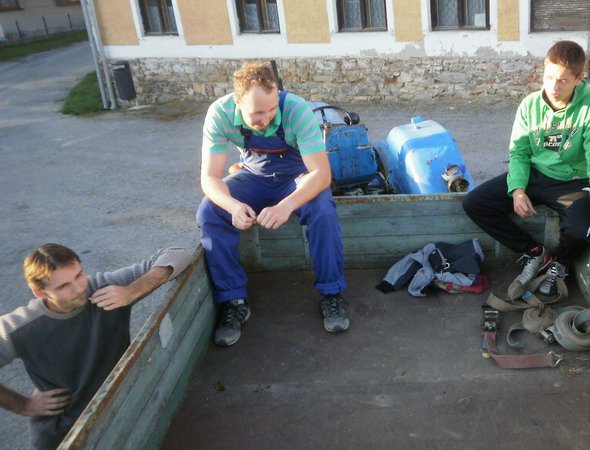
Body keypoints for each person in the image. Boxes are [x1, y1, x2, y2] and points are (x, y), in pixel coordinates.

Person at [196, 60, 349, 346]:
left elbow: (321, 174)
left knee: (322, 208)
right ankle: (234, 301)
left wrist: (286, 206)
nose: (266, 119)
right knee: (209, 211)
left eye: (271, 110)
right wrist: (232, 206)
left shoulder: (297, 110)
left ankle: (332, 294)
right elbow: (210, 178)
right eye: (257, 114)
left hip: (296, 177)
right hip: (254, 175)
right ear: (238, 103)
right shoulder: (219, 114)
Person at [462, 40, 590, 299]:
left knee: (580, 232)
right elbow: (519, 152)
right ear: (543, 70)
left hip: (574, 181)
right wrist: (517, 189)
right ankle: (535, 253)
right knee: (475, 203)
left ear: (579, 79)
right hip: (536, 176)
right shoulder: (530, 105)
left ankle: (560, 265)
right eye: (549, 77)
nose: (554, 87)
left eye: (563, 81)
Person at [0, 244, 193, 450]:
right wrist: (23, 405)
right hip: (63, 436)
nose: (79, 288)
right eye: (63, 286)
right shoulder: (18, 326)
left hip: (122, 419)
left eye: (79, 275)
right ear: (40, 293)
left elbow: (179, 253)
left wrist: (132, 291)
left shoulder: (103, 289)